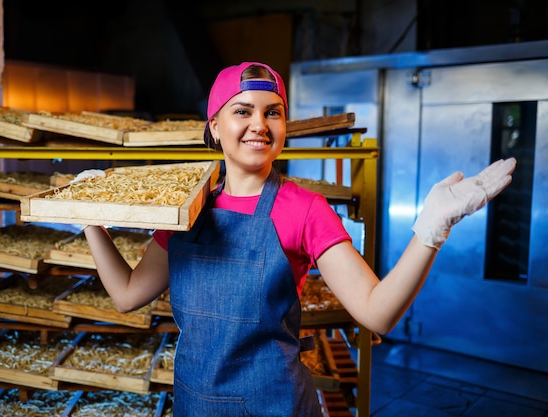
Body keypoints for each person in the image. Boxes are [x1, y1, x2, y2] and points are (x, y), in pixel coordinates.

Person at [83, 61, 516, 416]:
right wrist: (89, 220)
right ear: (214, 126)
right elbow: (126, 294)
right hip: (197, 405)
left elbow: (376, 313)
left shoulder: (304, 209)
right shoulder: (184, 210)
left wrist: (431, 230)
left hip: (276, 405)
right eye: (243, 111)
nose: (259, 124)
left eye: (273, 112)